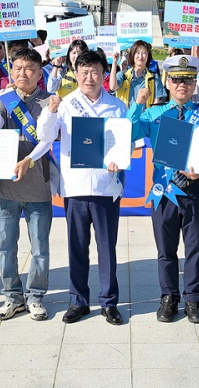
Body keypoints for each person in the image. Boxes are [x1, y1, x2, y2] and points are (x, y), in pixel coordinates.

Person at [38, 50, 128, 325]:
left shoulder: (116, 106)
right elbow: (45, 136)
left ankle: (109, 302)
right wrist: (50, 112)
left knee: (107, 248)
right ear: (75, 74)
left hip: (105, 187)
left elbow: (125, 144)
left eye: (95, 72)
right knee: (77, 247)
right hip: (75, 187)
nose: (89, 78)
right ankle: (78, 301)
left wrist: (119, 160)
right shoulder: (64, 104)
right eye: (84, 72)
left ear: (103, 75)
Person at [128, 55, 199, 324]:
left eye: (188, 80)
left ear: (194, 84)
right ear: (167, 82)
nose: (183, 85)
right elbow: (128, 131)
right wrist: (137, 104)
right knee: (166, 250)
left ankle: (193, 299)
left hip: (196, 188)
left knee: (195, 248)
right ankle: (169, 297)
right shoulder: (154, 114)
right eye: (177, 79)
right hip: (165, 191)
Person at [0, 48, 56, 322]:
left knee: (39, 247)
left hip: (38, 186)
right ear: (11, 71)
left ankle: (36, 296)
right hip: (5, 187)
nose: (22, 73)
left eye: (29, 68)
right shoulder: (4, 99)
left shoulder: (50, 101)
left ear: (40, 73)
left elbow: (47, 139)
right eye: (17, 68)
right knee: (5, 246)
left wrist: (28, 158)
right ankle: (12, 296)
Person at [110, 39, 163, 109]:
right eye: (137, 53)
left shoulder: (154, 77)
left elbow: (157, 101)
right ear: (132, 55)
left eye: (144, 53)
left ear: (148, 56)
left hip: (146, 118)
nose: (140, 56)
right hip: (126, 117)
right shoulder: (123, 75)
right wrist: (114, 62)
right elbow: (113, 87)